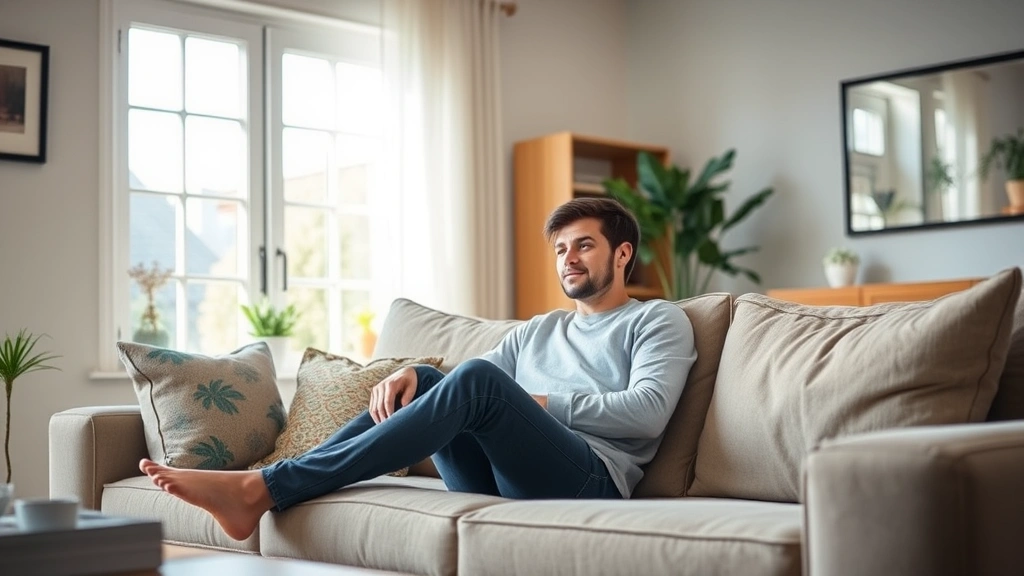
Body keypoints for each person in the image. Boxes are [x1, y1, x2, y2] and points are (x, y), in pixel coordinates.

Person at [140, 197, 697, 541]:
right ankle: (267, 486)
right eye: (559, 250)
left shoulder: (656, 321)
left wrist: (541, 404)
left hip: (588, 480)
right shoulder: (538, 329)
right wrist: (409, 372)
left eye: (584, 246)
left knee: (477, 381)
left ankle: (264, 488)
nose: (568, 259)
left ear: (622, 254)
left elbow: (647, 414)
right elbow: (468, 387)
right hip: (508, 478)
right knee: (434, 380)